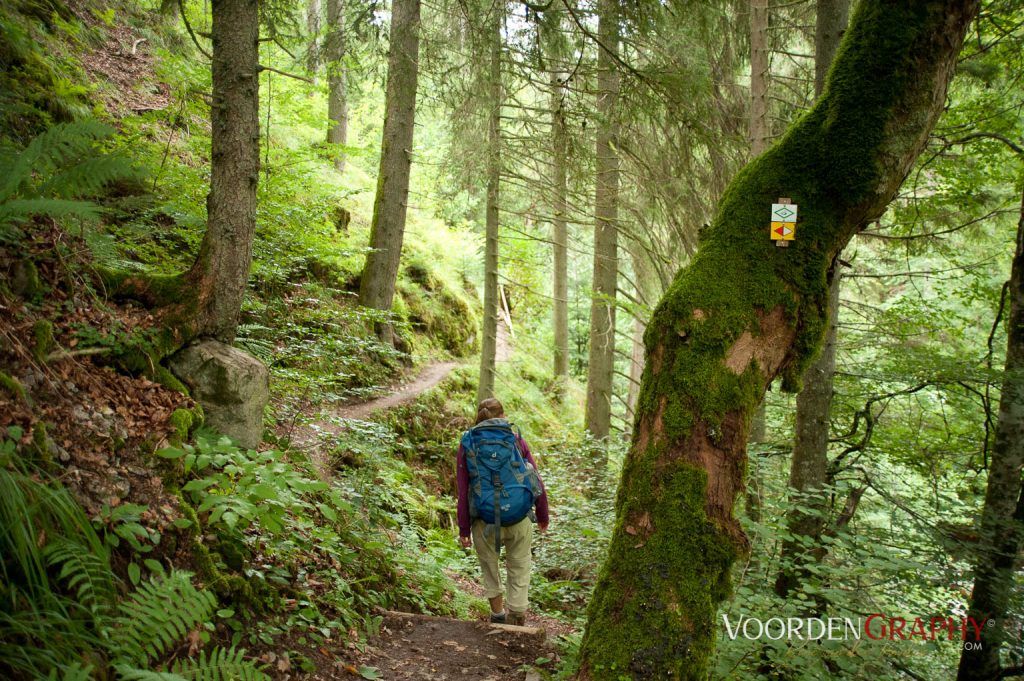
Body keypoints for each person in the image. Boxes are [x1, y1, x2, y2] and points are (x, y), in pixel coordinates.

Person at [456, 398, 549, 626]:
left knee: (489, 565)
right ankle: (516, 615)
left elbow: (463, 489)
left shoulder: (468, 442)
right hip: (518, 515)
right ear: (503, 414)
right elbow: (535, 478)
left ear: (478, 415)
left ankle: (497, 615)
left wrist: (464, 528)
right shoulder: (516, 439)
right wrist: (543, 514)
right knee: (519, 565)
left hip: (484, 519)